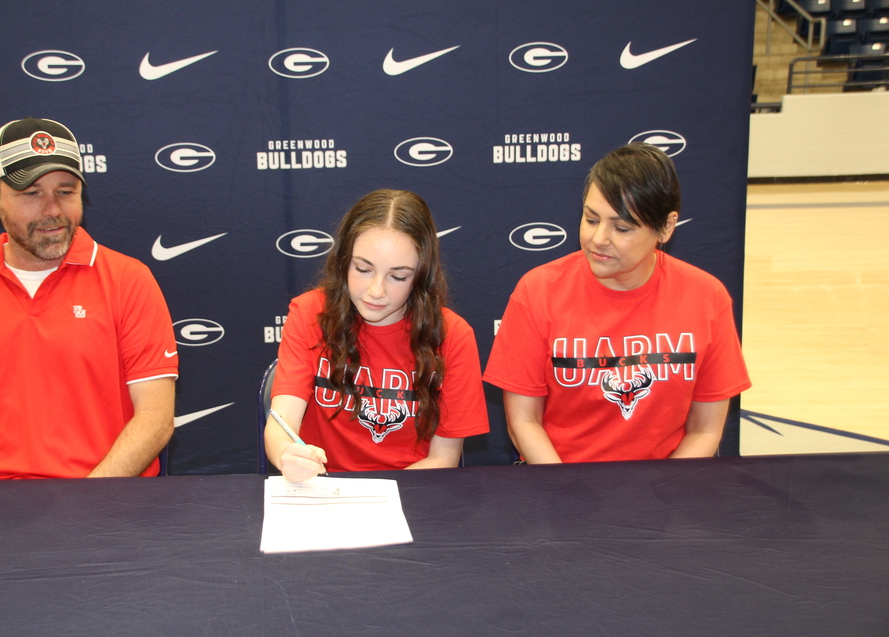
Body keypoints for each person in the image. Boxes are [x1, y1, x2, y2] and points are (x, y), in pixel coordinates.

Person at [0, 117, 178, 479]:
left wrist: (85, 509)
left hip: (105, 506)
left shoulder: (129, 280)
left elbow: (155, 418)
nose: (52, 210)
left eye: (65, 192)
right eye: (31, 193)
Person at [484, 143, 750, 464]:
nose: (599, 239)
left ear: (666, 227)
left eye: (622, 228)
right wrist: (567, 490)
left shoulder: (707, 297)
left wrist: (663, 491)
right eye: (591, 219)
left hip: (666, 490)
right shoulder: (537, 291)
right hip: (559, 484)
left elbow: (705, 431)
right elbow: (523, 422)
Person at [265, 189, 489, 482]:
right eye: (363, 269)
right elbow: (282, 423)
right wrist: (287, 454)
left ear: (422, 275)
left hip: (411, 492)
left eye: (398, 276)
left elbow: (443, 458)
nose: (376, 291)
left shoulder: (452, 335)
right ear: (344, 260)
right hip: (322, 487)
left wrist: (375, 499)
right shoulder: (310, 313)